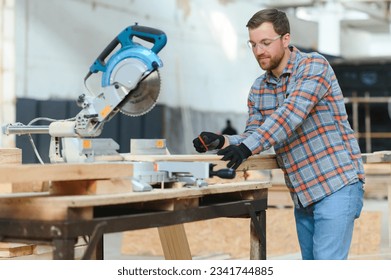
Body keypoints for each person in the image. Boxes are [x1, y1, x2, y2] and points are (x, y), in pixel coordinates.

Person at [192, 8, 365, 260]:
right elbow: (255, 134)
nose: (258, 51)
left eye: (265, 42)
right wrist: (224, 141)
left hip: (336, 184)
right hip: (303, 194)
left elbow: (290, 115)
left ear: (286, 39)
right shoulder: (259, 88)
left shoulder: (313, 66)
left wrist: (247, 146)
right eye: (253, 44)